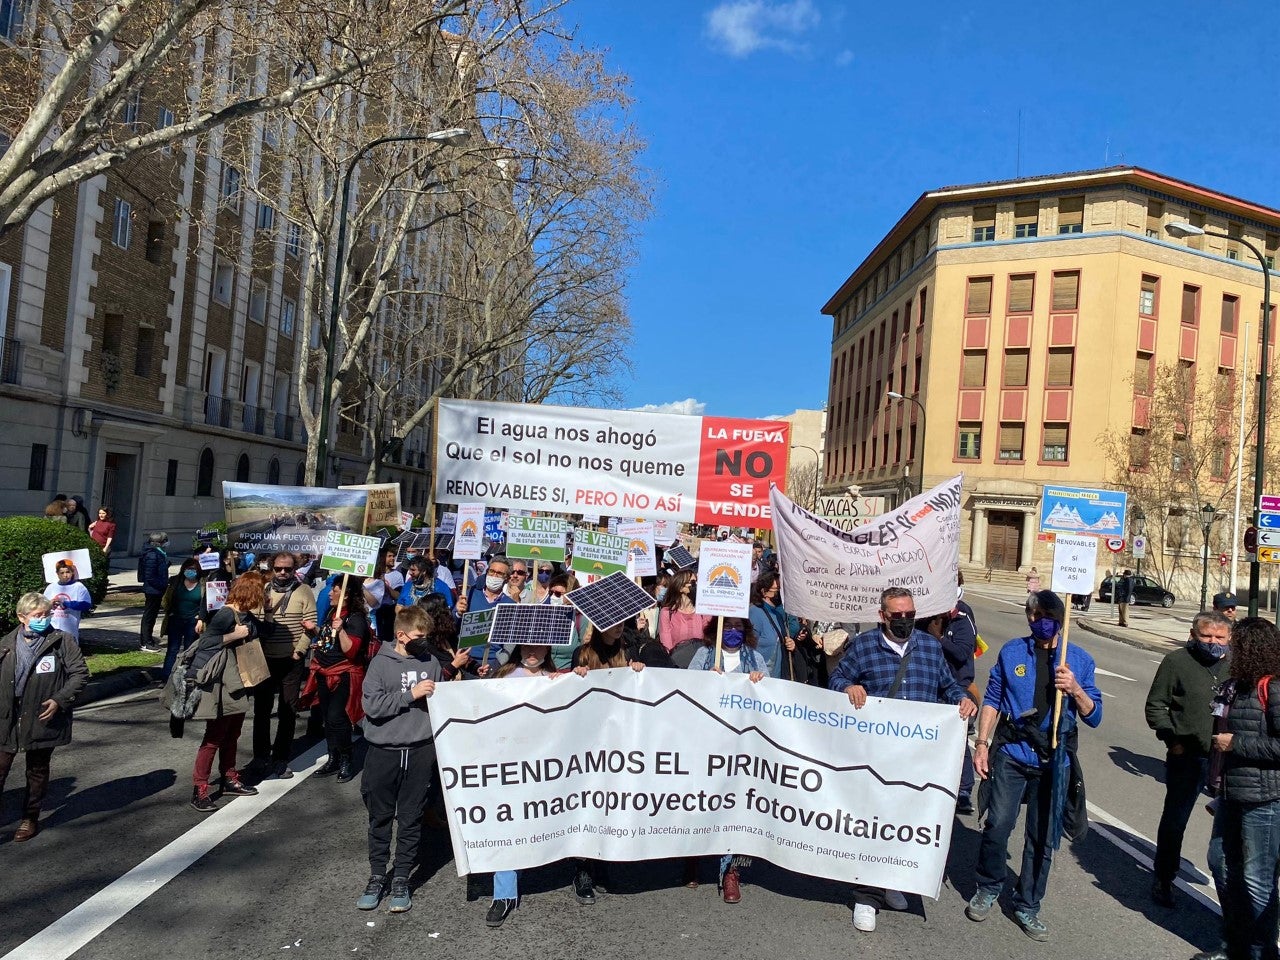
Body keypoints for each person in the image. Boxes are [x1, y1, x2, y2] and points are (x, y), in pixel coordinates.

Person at [828, 587, 976, 932]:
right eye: (898, 616)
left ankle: (893, 879)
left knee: (905, 820)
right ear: (883, 616)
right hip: (875, 755)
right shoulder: (865, 645)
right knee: (873, 821)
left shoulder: (928, 646)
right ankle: (867, 896)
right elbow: (837, 677)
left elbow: (947, 687)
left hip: (917, 756)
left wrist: (963, 699)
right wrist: (848, 688)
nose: (905, 621)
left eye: (910, 615)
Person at [966, 590, 1102, 942]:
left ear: (1060, 619)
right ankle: (989, 884)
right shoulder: (1013, 652)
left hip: (1053, 762)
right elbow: (993, 699)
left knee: (1042, 837)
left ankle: (1028, 903)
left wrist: (1075, 689)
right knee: (997, 823)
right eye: (1033, 615)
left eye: (1046, 615)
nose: (1039, 621)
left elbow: (1095, 715)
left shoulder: (1079, 660)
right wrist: (982, 744)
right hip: (1013, 753)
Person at [356, 606, 441, 914]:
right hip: (384, 751)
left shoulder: (430, 662)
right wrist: (411, 695)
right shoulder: (380, 664)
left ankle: (402, 878)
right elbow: (373, 707)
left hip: (420, 750)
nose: (424, 642)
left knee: (411, 818)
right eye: (420, 636)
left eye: (427, 637)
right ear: (401, 635)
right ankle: (378, 876)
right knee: (379, 818)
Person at [1144, 610, 1232, 908]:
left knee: (1231, 826)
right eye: (1206, 636)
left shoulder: (1237, 664)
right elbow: (1156, 706)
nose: (1213, 642)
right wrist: (1173, 740)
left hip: (1227, 759)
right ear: (1194, 636)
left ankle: (1234, 890)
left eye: (1220, 637)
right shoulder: (1176, 662)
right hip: (1187, 756)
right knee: (1175, 820)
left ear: (1229, 638)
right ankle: (1164, 877)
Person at [1210, 616, 1280, 960]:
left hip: (1264, 799)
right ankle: (1235, 939)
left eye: (1235, 644)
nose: (1227, 648)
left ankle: (1261, 950)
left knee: (1257, 879)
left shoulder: (1273, 688)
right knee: (1220, 864)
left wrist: (1235, 743)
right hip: (1231, 793)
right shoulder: (1237, 685)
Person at [686, 615, 767, 902]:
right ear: (716, 630)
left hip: (740, 742)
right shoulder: (704, 655)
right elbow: (687, 689)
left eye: (738, 627)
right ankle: (693, 856)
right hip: (706, 739)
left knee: (735, 804)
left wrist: (759, 682)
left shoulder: (755, 659)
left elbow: (770, 699)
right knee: (702, 797)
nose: (733, 632)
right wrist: (706, 679)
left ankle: (731, 870)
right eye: (727, 627)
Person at [568, 619, 647, 903]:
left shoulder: (629, 652)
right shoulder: (583, 652)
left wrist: (637, 671)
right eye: (612, 625)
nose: (618, 629)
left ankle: (603, 863)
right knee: (588, 803)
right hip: (588, 741)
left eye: (621, 625)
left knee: (609, 804)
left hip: (617, 742)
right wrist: (576, 674)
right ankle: (583, 870)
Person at [0, 593, 89, 841]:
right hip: (7, 716)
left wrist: (59, 700)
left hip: (40, 715)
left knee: (36, 770)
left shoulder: (61, 641)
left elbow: (80, 674)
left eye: (46, 614)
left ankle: (29, 818)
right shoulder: (6, 643)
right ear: (21, 617)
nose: (44, 619)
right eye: (37, 615)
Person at [486, 642, 562, 927]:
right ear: (518, 649)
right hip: (510, 766)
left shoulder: (555, 680)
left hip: (546, 768)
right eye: (527, 648)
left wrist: (570, 680)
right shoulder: (503, 679)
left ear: (547, 651)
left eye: (539, 648)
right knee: (507, 823)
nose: (532, 653)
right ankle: (503, 894)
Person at [184, 572, 265, 812]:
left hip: (238, 681)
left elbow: (263, 632)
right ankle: (200, 789)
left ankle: (229, 777)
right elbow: (206, 642)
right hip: (220, 685)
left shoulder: (245, 615)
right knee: (214, 737)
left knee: (233, 733)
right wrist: (233, 635)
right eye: (261, 591)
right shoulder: (226, 614)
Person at [247, 552, 317, 782]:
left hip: (291, 659)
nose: (283, 573)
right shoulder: (263, 590)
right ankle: (260, 756)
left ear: (294, 569)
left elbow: (311, 624)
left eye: (287, 569)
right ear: (272, 568)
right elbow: (253, 622)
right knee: (262, 710)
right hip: (264, 659)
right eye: (278, 569)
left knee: (288, 710)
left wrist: (300, 650)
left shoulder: (304, 591)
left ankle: (280, 757)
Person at [305, 577, 371, 783]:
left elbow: (351, 650)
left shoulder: (356, 618)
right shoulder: (332, 613)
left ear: (346, 595)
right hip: (324, 671)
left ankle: (346, 758)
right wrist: (314, 629)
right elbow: (327, 637)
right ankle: (332, 757)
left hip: (343, 674)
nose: (330, 594)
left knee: (337, 717)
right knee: (327, 718)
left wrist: (341, 629)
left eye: (334, 590)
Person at [939, 577, 980, 814]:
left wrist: (940, 639)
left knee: (958, 739)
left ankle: (964, 789)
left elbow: (964, 652)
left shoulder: (963, 616)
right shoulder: (930, 613)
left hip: (957, 685)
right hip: (934, 684)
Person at [454, 555, 517, 672]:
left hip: (493, 664)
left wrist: (496, 665)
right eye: (491, 571)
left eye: (499, 573)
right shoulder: (469, 595)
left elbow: (510, 641)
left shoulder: (511, 605)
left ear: (507, 578)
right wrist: (457, 613)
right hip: (465, 661)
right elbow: (451, 625)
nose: (494, 576)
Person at [162, 558, 206, 679]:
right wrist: (169, 611)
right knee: (172, 649)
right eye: (188, 569)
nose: (190, 572)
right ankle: (166, 677)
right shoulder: (176, 581)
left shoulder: (203, 584)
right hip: (175, 619)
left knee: (189, 649)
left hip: (193, 621)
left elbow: (205, 602)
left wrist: (200, 617)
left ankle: (186, 676)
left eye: (194, 569)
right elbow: (167, 599)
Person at [747, 573, 797, 679]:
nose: (779, 593)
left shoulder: (777, 614)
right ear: (764, 591)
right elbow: (748, 646)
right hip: (759, 675)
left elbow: (780, 640)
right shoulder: (754, 612)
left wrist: (790, 644)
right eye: (776, 589)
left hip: (778, 674)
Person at [657, 571, 711, 664]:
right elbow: (666, 645)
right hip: (678, 663)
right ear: (681, 587)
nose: (696, 585)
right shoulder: (667, 613)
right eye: (693, 582)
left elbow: (709, 638)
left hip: (700, 663)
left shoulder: (703, 612)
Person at [43, 559, 93, 643]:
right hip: (53, 626)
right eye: (62, 573)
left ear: (72, 572)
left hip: (70, 628)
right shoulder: (51, 587)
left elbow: (86, 604)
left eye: (68, 572)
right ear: (57, 574)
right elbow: (42, 605)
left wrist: (67, 603)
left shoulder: (78, 587)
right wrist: (49, 603)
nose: (65, 575)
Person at [138, 532, 171, 653]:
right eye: (165, 541)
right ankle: (146, 642)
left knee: (152, 616)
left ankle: (148, 640)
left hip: (156, 589)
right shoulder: (152, 555)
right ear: (159, 542)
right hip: (153, 590)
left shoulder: (158, 553)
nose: (167, 543)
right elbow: (150, 576)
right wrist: (162, 585)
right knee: (149, 616)